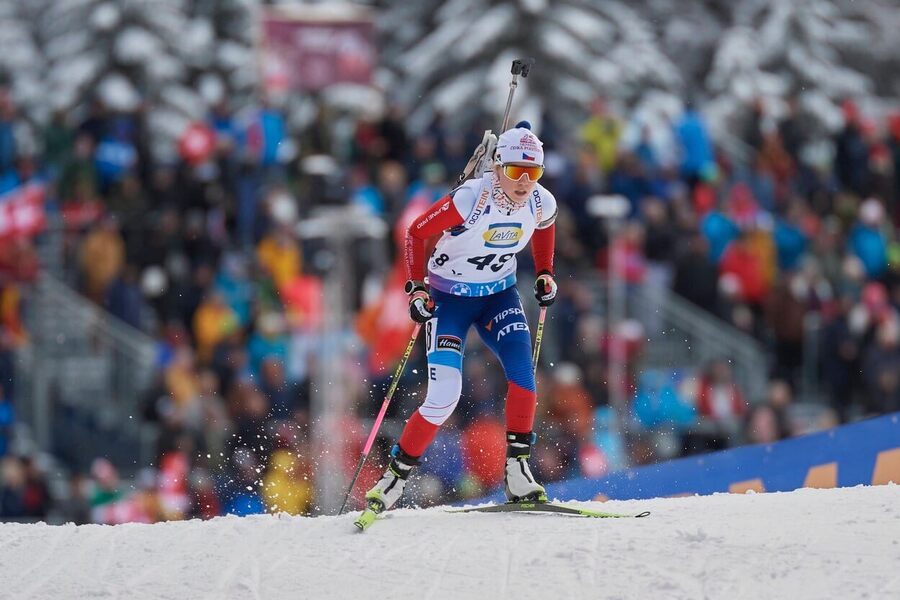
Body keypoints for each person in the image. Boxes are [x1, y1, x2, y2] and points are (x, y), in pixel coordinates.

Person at [364, 125, 558, 513]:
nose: (524, 182)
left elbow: (545, 229)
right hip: (449, 300)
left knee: (523, 375)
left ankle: (518, 471)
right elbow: (416, 233)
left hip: (498, 296)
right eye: (516, 171)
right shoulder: (472, 197)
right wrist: (417, 289)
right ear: (498, 166)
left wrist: (544, 272)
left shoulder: (541, 202)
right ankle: (393, 480)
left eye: (532, 173)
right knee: (443, 397)